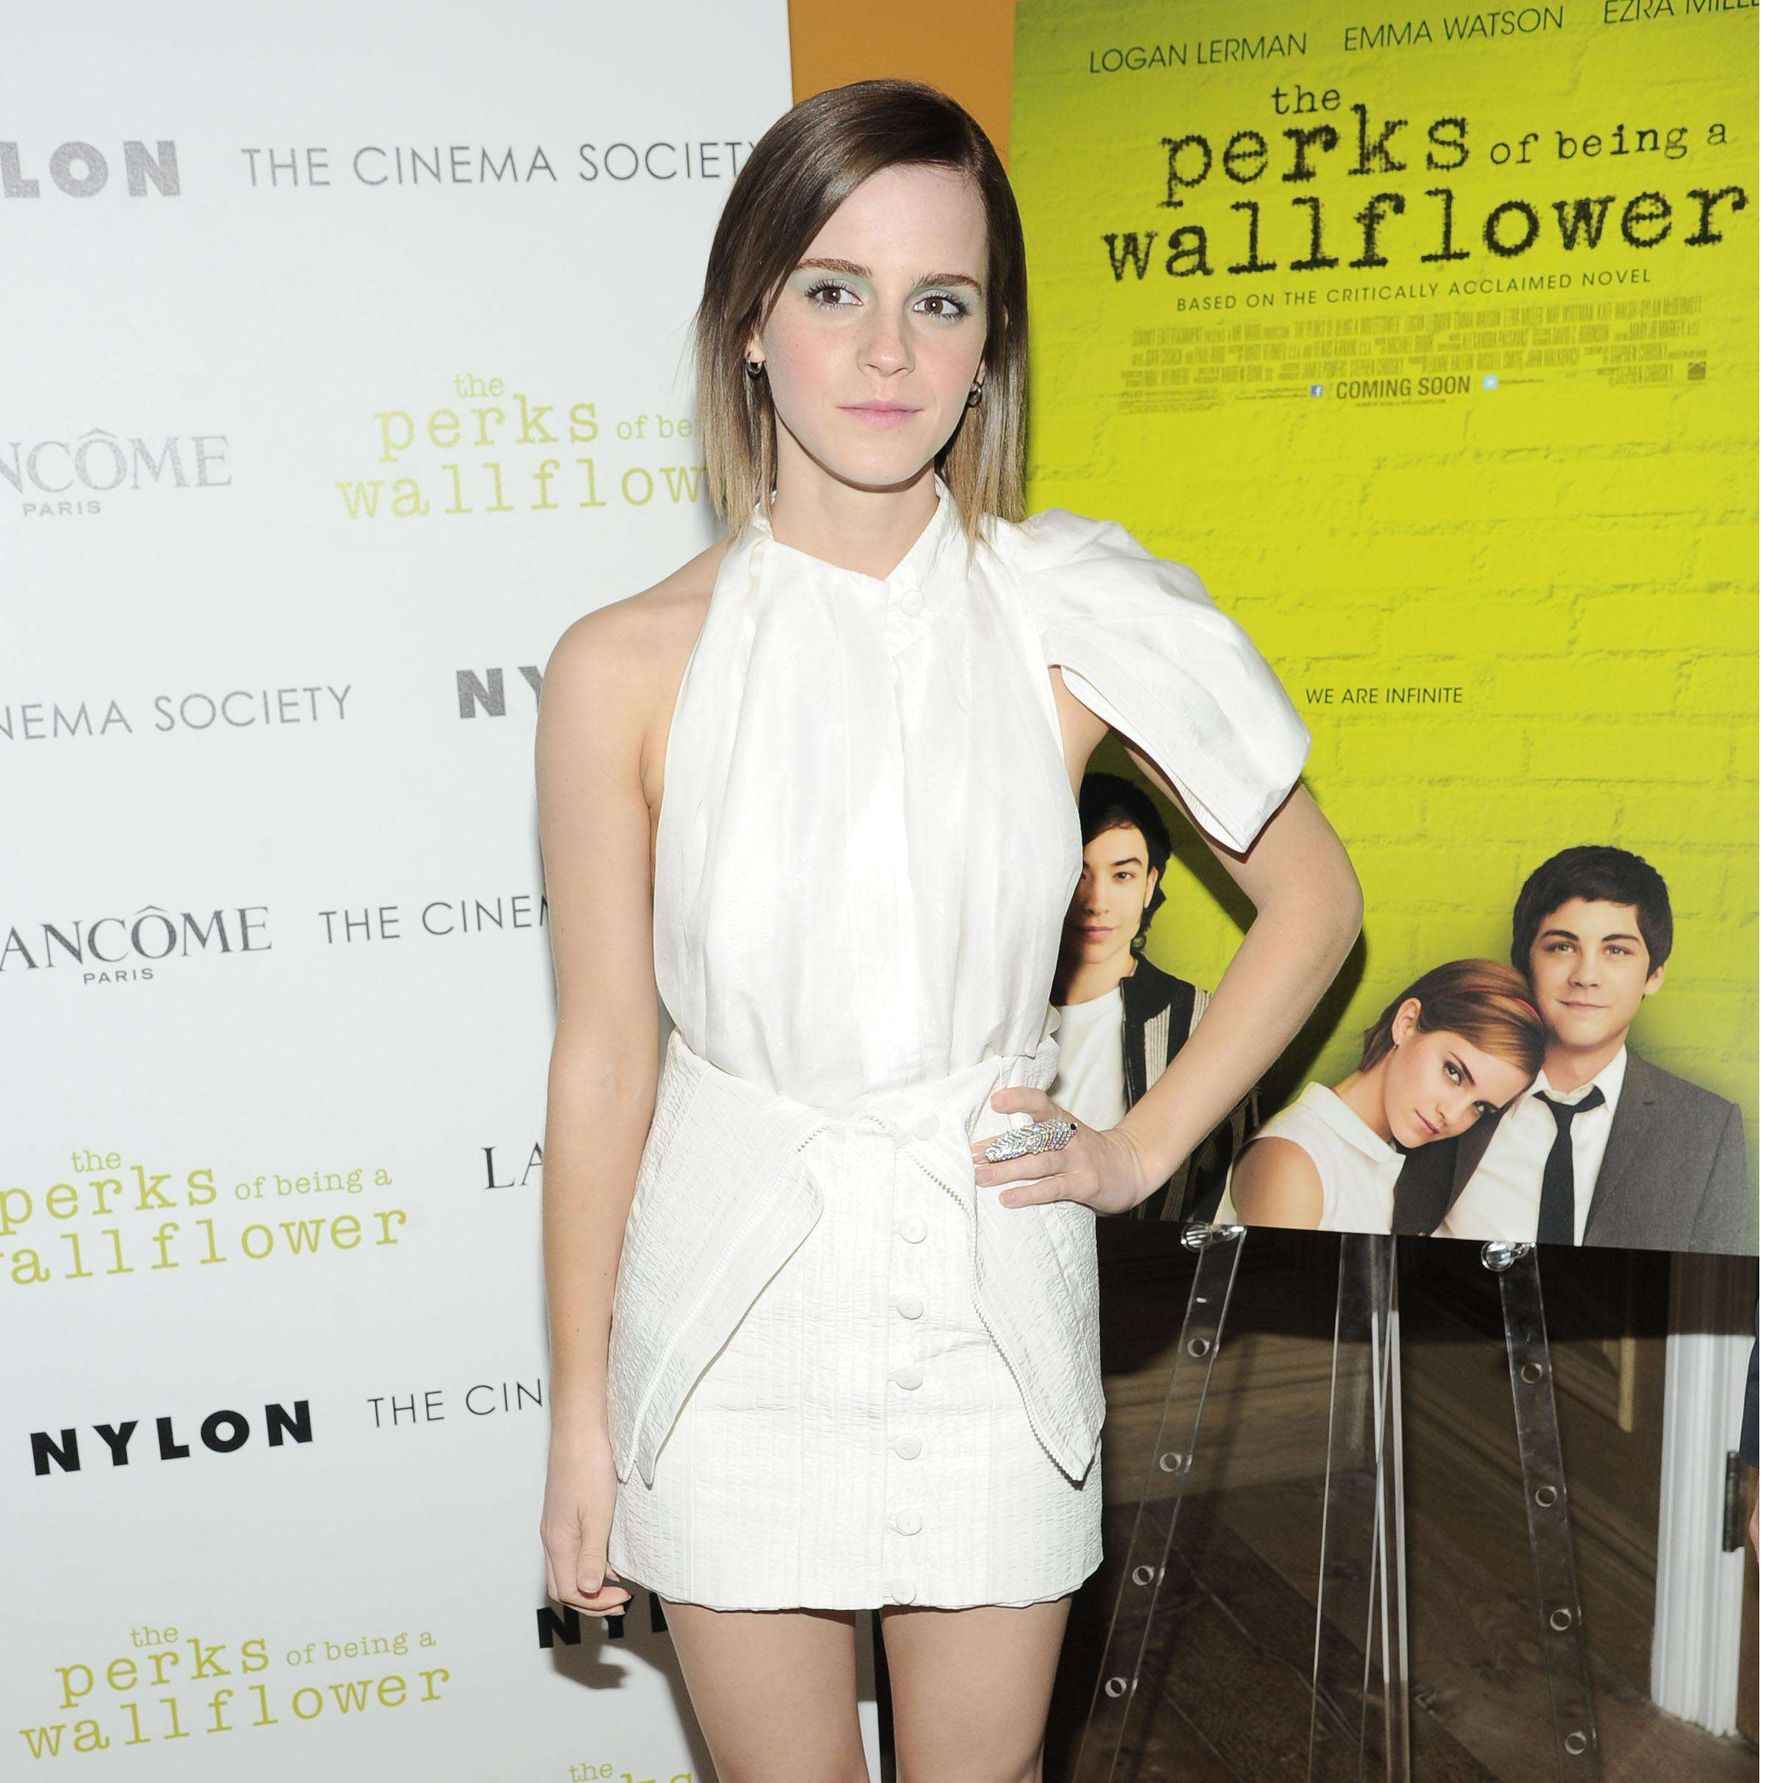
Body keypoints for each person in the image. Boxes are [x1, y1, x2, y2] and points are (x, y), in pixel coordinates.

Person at [534, 80, 1362, 1781]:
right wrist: (578, 1417)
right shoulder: (620, 663)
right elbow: (607, 1056)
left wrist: (1137, 1150)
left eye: (942, 301)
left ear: (989, 347)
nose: (886, 350)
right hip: (727, 1301)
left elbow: (1314, 900)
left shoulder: (1070, 612)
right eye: (833, 288)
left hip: (988, 1292)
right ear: (748, 321)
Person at [1395, 846, 1751, 1253]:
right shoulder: (1446, 1086)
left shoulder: (1706, 1130)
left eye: (1616, 950)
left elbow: (1716, 1282)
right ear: (1524, 962)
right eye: (1562, 946)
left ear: (1654, 974)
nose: (1586, 975)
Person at [1048, 771, 1260, 1232]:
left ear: (1149, 884)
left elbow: (1224, 1197)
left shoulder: (1201, 1022)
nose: (1096, 901)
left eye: (1122, 875)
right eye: (1078, 874)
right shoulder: (995, 1014)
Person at [1220, 960, 1542, 1235]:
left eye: (1480, 1107)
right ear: (1407, 1023)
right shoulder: (1295, 1161)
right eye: (1453, 1072)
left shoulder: (1388, 1168)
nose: (1453, 1114)